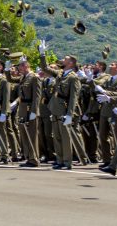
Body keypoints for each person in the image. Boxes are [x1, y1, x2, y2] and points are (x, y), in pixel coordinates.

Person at [38, 41, 81, 170]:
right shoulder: (60, 74)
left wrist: (70, 114)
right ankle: (60, 159)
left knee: (65, 137)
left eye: (65, 59)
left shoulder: (73, 77)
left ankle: (67, 161)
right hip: (55, 108)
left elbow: (73, 97)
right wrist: (42, 54)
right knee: (56, 136)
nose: (63, 60)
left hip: (64, 109)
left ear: (71, 63)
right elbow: (45, 68)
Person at [6, 56, 41, 167]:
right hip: (23, 109)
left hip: (30, 108)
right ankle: (28, 157)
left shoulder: (34, 77)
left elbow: (37, 96)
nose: (18, 69)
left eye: (20, 66)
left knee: (32, 135)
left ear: (26, 66)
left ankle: (34, 158)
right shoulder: (23, 77)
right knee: (24, 134)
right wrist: (7, 70)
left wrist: (34, 111)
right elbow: (10, 79)